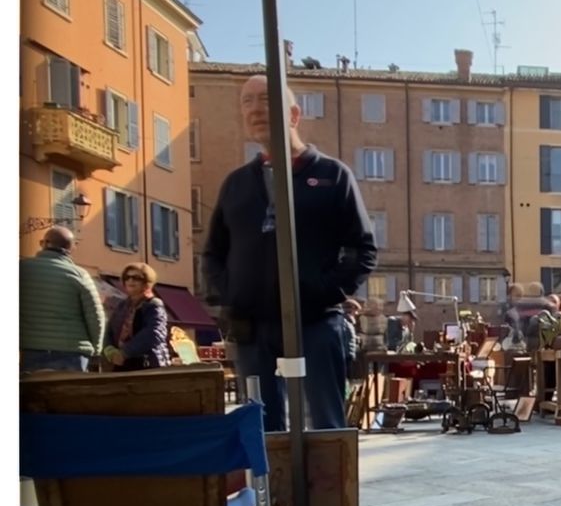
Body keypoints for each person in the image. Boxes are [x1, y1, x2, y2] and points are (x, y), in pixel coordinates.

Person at [203, 74, 377, 431]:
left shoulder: (332, 175)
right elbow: (213, 253)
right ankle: (275, 490)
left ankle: (327, 489)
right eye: (247, 101)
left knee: (326, 426)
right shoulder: (236, 184)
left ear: (294, 115)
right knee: (262, 430)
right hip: (253, 328)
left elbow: (363, 249)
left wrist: (322, 290)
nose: (255, 109)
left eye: (265, 99)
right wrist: (233, 294)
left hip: (314, 322)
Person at [19, 225, 106, 374]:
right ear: (71, 249)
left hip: (31, 349)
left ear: (44, 244)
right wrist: (96, 350)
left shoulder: (22, 269)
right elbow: (95, 316)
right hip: (73, 352)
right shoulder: (80, 275)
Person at [103, 262, 171, 371]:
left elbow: (154, 333)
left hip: (148, 365)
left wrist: (125, 352)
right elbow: (109, 331)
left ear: (146, 282)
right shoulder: (122, 306)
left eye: (136, 278)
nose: (130, 280)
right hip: (122, 365)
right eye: (127, 277)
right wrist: (109, 350)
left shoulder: (153, 304)